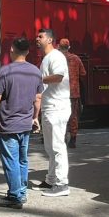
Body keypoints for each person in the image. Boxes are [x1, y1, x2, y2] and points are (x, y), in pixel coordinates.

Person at [0, 37, 43, 209]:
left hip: (7, 124)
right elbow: (38, 98)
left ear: (12, 49)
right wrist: (35, 117)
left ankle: (15, 197)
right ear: (28, 51)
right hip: (25, 123)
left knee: (11, 160)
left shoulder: (6, 71)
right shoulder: (35, 71)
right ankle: (21, 192)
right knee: (22, 160)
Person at [32, 28, 71, 197]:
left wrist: (37, 78)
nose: (37, 39)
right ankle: (50, 180)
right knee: (49, 147)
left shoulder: (56, 56)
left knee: (57, 146)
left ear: (50, 40)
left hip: (57, 106)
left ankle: (62, 184)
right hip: (50, 106)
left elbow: (58, 76)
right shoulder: (46, 58)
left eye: (40, 36)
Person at [58, 38, 87, 149]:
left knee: (60, 116)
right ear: (69, 47)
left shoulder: (56, 58)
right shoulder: (75, 58)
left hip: (60, 93)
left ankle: (62, 138)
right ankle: (73, 139)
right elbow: (83, 73)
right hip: (73, 92)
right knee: (73, 116)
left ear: (59, 47)